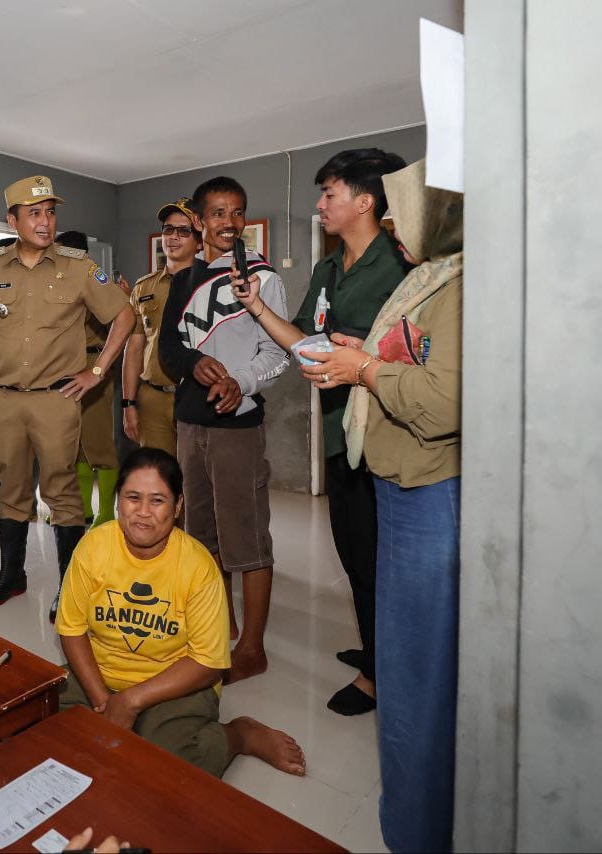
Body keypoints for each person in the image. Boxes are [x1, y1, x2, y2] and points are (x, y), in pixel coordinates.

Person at [297, 160, 462, 853]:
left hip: (426, 485)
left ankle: (420, 832)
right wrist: (367, 351)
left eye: (402, 206)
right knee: (404, 653)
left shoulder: (449, 283)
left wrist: (363, 367)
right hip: (396, 476)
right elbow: (413, 357)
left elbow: (441, 401)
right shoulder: (430, 276)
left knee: (421, 680)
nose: (397, 219)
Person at [228, 149, 408, 716]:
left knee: (381, 560)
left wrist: (364, 354)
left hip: (386, 436)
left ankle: (383, 675)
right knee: (356, 555)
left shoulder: (403, 265)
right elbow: (305, 338)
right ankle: (376, 649)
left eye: (329, 194)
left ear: (365, 200)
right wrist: (257, 307)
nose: (320, 204)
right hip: (338, 433)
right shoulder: (331, 267)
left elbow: (418, 351)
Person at [55, 448, 305, 778]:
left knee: (173, 762)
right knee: (36, 715)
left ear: (178, 507)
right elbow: (71, 629)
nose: (143, 512)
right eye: (133, 497)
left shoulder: (198, 567)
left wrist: (129, 702)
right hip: (99, 676)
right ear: (117, 501)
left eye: (157, 500)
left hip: (173, 686)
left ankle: (239, 735)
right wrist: (104, 703)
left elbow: (207, 662)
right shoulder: (92, 548)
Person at [0, 176, 134, 619]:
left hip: (56, 400)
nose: (45, 221)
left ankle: (70, 591)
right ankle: (12, 575)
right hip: (3, 398)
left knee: (63, 494)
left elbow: (125, 316)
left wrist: (96, 371)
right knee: (10, 491)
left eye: (50, 212)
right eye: (34, 213)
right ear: (11, 219)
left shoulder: (77, 267)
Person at [158, 176, 290, 683]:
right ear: (199, 220)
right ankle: (222, 629)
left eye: (238, 212)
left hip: (238, 426)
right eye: (218, 213)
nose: (229, 223)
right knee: (202, 536)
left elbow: (278, 354)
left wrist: (242, 382)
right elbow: (169, 352)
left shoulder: (262, 278)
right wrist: (195, 366)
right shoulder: (182, 279)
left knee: (248, 540)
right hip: (189, 423)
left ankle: (252, 648)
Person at [123, 199, 200, 453]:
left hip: (197, 396)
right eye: (168, 230)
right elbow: (134, 349)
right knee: (158, 478)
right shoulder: (144, 287)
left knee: (197, 483)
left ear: (199, 240)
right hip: (153, 399)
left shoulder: (212, 285)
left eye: (183, 231)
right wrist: (128, 403)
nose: (173, 237)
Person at [57, 230, 120, 528]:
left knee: (99, 442)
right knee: (77, 443)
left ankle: (107, 511)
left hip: (95, 362)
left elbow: (121, 321)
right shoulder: (59, 284)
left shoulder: (96, 280)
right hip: (66, 365)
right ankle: (83, 508)